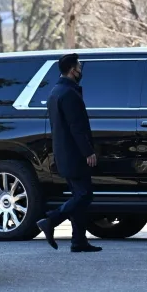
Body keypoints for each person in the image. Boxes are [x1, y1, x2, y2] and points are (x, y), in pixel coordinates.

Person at [37, 53, 101, 253]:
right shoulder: (70, 94)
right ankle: (51, 220)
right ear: (73, 70)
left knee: (78, 196)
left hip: (64, 153)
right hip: (75, 154)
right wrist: (88, 152)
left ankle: (78, 241)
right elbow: (77, 127)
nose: (81, 70)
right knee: (84, 195)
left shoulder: (56, 91)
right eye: (79, 66)